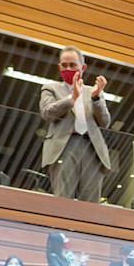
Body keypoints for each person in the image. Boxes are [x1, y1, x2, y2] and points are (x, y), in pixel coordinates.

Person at [40, 45, 111, 202]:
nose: (68, 68)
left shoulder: (93, 91)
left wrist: (96, 98)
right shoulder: (50, 88)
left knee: (91, 203)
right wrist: (70, 99)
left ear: (83, 67)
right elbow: (46, 112)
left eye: (73, 65)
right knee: (63, 200)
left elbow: (105, 122)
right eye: (64, 65)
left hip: (91, 148)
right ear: (59, 66)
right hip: (64, 146)